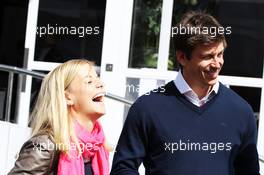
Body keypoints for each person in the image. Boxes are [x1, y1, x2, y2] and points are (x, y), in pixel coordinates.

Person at [110, 11, 260, 175]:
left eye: (220, 54)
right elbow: (122, 169)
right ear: (182, 57)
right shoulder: (146, 108)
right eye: (208, 56)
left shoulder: (241, 111)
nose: (217, 64)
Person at [8, 59, 109, 175]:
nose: (101, 84)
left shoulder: (97, 147)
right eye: (89, 81)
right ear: (67, 98)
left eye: (97, 77)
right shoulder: (45, 146)